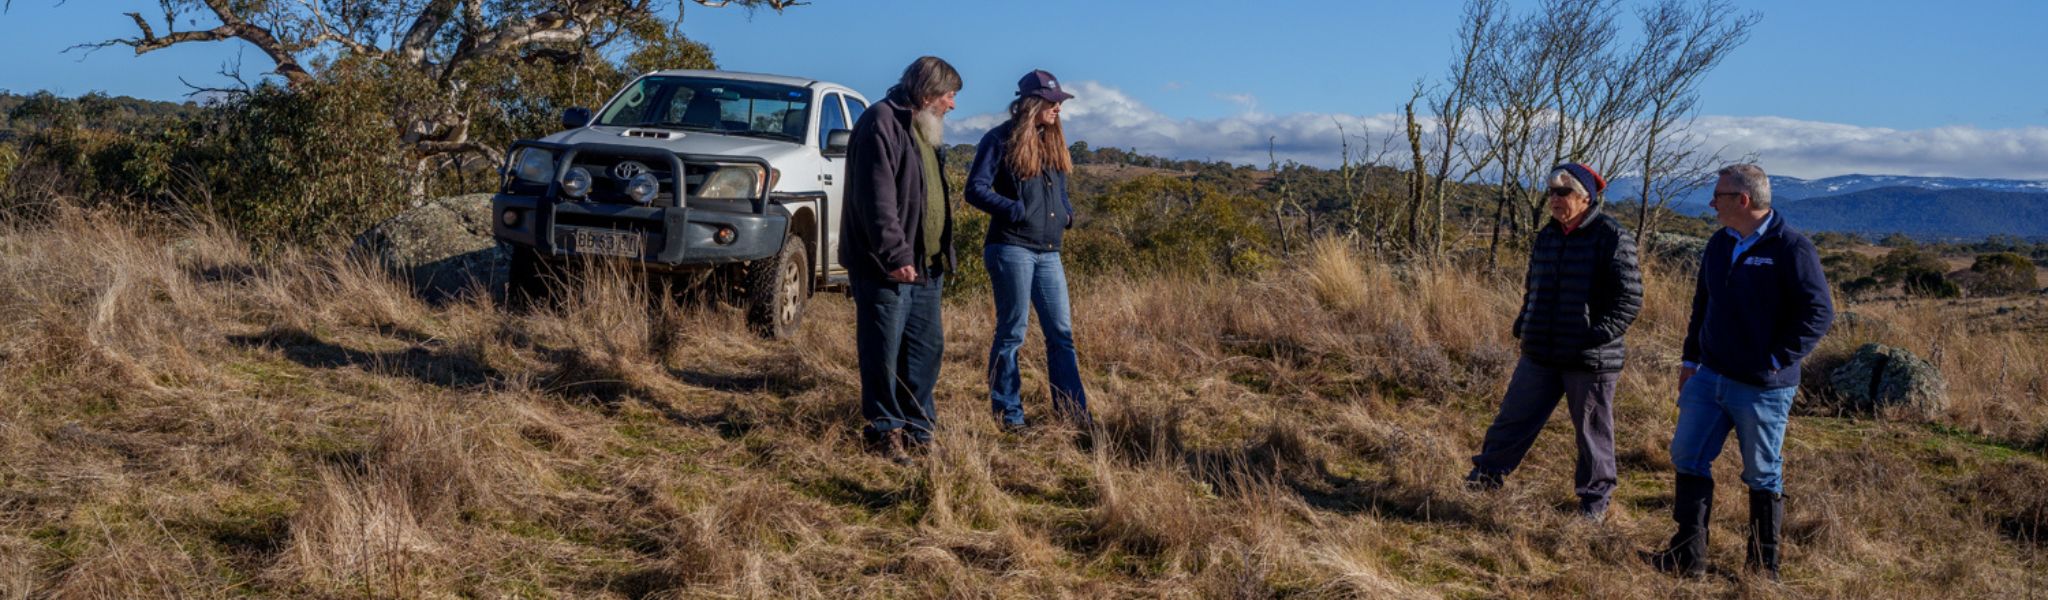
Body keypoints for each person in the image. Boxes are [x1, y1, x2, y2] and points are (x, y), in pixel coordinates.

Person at [1645, 163, 1834, 580]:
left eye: (1719, 196)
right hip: (1708, 377)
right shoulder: (1718, 243)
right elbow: (1702, 305)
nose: (1712, 203)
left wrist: (1773, 360)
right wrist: (1690, 361)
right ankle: (1686, 558)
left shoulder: (1791, 248)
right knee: (1687, 457)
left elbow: (1819, 313)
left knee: (1762, 473)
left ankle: (1763, 571)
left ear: (1743, 200)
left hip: (1762, 388)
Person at [1465, 163, 1643, 522]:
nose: (1555, 199)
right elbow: (1534, 286)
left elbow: (1630, 299)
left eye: (1563, 192)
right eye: (1551, 192)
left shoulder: (1611, 236)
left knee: (1592, 434)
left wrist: (1593, 336)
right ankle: (1485, 478)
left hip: (1588, 358)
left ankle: (1594, 503)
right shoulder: (1548, 235)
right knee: (1512, 420)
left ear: (1585, 197)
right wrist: (1524, 321)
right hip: (1541, 351)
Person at [838, 56, 962, 464]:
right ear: (927, 93)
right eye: (949, 96)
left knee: (926, 350)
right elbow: (876, 199)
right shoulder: (880, 122)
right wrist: (894, 254)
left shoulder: (924, 128)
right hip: (886, 266)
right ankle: (883, 430)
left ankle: (919, 430)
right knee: (882, 351)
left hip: (926, 267)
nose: (952, 105)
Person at [965, 70, 1091, 432]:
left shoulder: (1053, 140)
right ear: (1032, 103)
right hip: (1010, 248)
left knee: (1061, 334)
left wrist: (1067, 214)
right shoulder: (999, 139)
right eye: (1052, 103)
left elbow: (1061, 189)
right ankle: (1009, 416)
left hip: (1050, 251)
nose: (1057, 110)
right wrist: (1015, 210)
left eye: (1059, 103)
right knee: (1012, 333)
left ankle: (1073, 415)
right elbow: (975, 189)